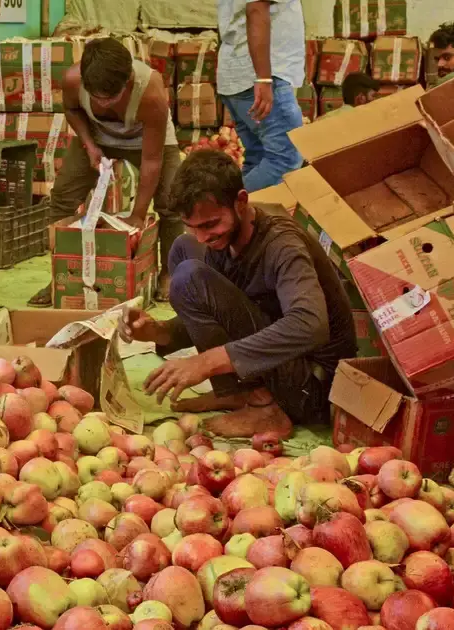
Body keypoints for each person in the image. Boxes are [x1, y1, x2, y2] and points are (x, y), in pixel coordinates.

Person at [122, 150, 356, 438]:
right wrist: (158, 332)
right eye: (194, 226)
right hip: (276, 361)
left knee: (188, 277)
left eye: (210, 224)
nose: (203, 236)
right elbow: (224, 315)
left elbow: (310, 325)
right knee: (184, 250)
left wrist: (208, 361)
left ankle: (264, 407)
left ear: (241, 202)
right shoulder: (221, 240)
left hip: (313, 384)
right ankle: (237, 392)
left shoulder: (282, 246)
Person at [27, 37, 180, 306]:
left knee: (171, 201)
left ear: (129, 80)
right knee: (62, 195)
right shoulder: (73, 81)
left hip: (146, 139)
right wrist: (88, 145)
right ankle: (61, 276)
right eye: (98, 97)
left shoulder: (151, 93)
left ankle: (169, 273)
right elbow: (72, 109)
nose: (105, 104)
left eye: (113, 97)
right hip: (97, 137)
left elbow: (152, 160)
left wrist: (138, 215)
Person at [217, 0, 306, 193]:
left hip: (239, 73)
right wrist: (264, 78)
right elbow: (256, 9)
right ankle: (225, 210)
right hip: (260, 74)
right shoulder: (263, 77)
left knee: (259, 157)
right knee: (286, 158)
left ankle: (246, 221)